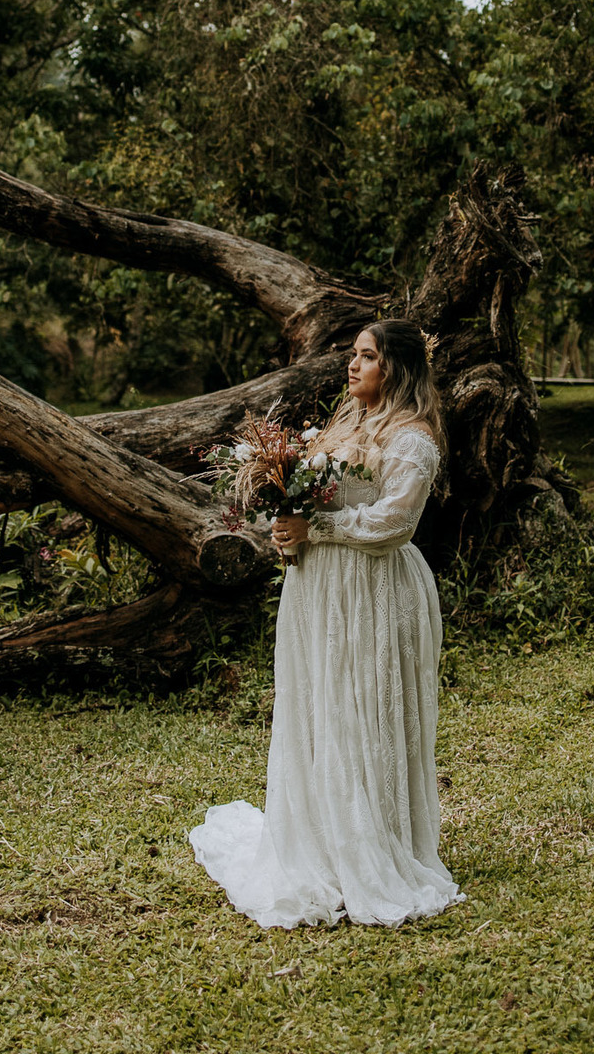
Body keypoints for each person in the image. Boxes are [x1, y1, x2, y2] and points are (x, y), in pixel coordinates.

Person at [188, 318, 462, 928]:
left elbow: (394, 525)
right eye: (354, 355)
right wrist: (282, 521)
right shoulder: (341, 426)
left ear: (395, 366)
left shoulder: (412, 439)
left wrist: (320, 529)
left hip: (374, 588)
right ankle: (321, 839)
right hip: (316, 588)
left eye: (366, 356)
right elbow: (312, 501)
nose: (352, 365)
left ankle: (373, 844)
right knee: (319, 708)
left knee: (364, 709)